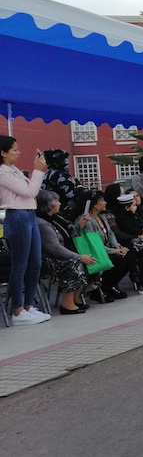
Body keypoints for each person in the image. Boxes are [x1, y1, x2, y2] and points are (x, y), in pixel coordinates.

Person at [0, 136, 51, 324]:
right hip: (17, 216)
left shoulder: (13, 170)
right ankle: (18, 310)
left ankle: (29, 306)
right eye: (14, 150)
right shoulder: (2, 172)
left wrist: (35, 171)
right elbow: (29, 192)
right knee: (20, 265)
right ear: (3, 153)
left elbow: (29, 190)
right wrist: (37, 171)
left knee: (35, 262)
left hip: (29, 214)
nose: (18, 152)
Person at [36, 190, 96, 314]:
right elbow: (54, 248)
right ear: (49, 205)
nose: (60, 204)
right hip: (48, 258)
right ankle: (67, 304)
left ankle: (75, 298)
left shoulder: (58, 218)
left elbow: (70, 233)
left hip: (64, 253)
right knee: (73, 263)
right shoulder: (42, 223)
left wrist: (81, 225)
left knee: (89, 261)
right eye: (57, 201)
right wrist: (79, 257)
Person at [72, 190, 132, 303]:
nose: (105, 203)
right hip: (97, 251)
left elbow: (110, 234)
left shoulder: (103, 217)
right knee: (118, 260)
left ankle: (111, 285)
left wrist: (117, 246)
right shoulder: (87, 220)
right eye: (102, 201)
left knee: (130, 257)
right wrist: (114, 251)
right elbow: (94, 244)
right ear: (95, 204)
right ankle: (101, 288)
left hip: (108, 248)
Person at [40, 148, 81, 220]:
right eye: (63, 159)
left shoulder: (46, 174)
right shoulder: (61, 175)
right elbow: (71, 194)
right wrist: (80, 188)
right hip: (61, 211)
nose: (66, 162)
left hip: (47, 210)